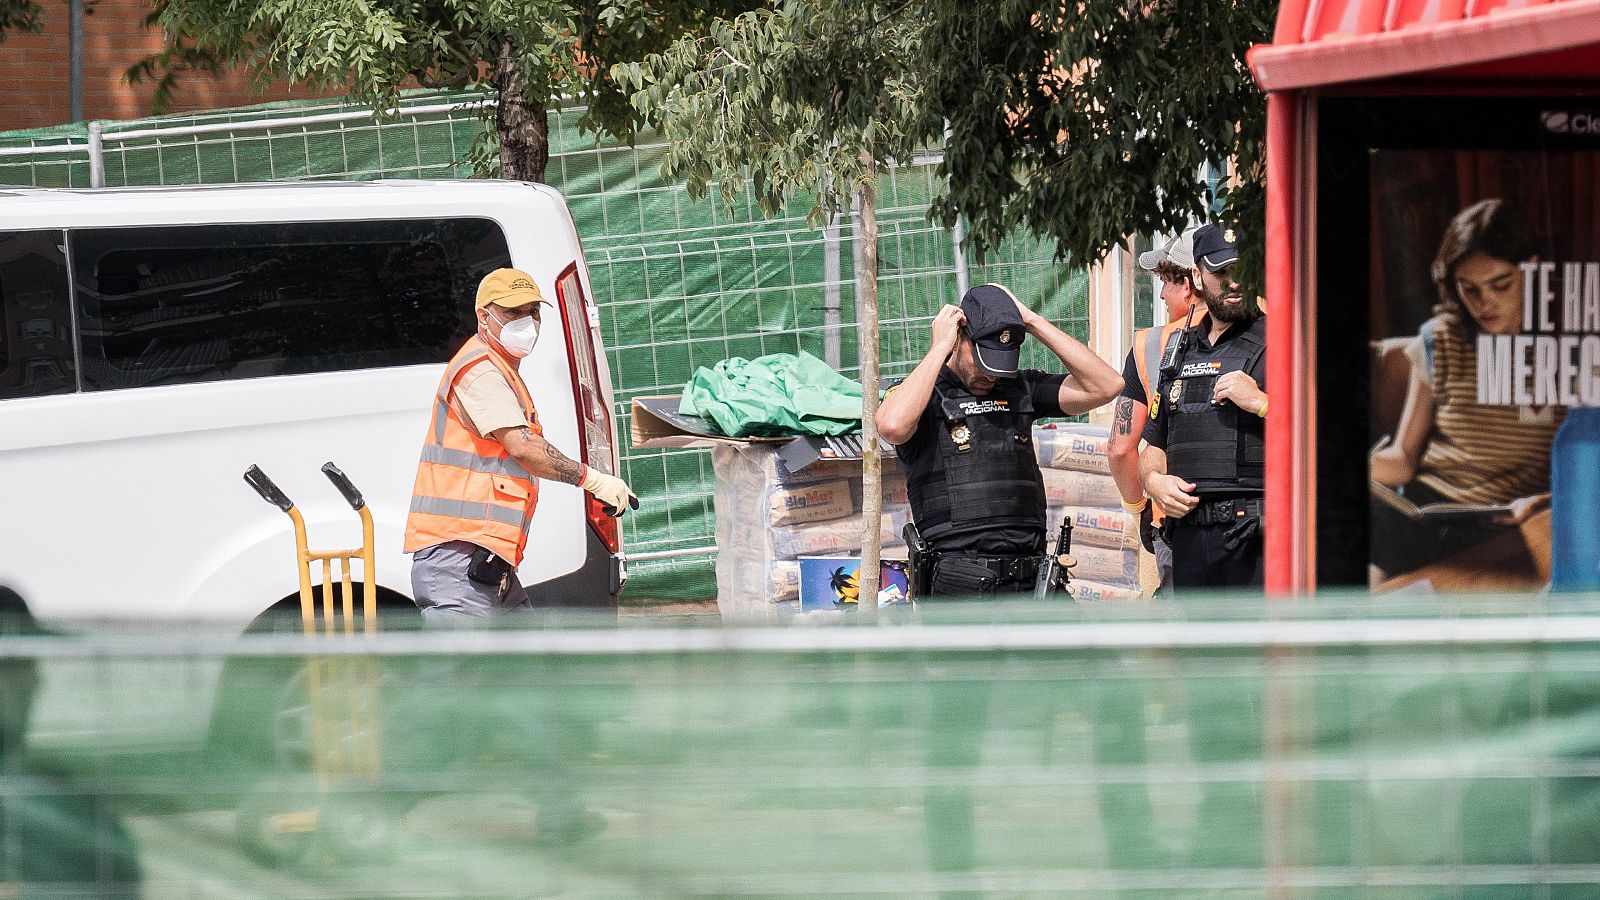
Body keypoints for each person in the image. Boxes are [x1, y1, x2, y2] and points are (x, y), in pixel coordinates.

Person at [403, 268, 637, 624]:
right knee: (465, 664)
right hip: (458, 562)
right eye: (513, 312)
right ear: (484, 317)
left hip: (484, 563)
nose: (527, 322)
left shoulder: (501, 370)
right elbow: (523, 447)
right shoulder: (480, 370)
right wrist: (593, 480)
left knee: (527, 658)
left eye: (533, 311)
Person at [876, 282, 1123, 597]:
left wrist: (1032, 321)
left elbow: (1107, 386)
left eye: (1000, 364)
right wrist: (939, 347)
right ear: (959, 337)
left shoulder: (1021, 388)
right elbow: (892, 427)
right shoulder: (922, 394)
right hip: (962, 583)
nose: (991, 375)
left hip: (1032, 580)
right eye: (982, 362)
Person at [1368, 198, 1562, 577]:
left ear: (1531, 270)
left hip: (1506, 526)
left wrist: (1553, 500)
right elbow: (1403, 458)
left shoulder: (1570, 346)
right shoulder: (1441, 338)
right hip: (1424, 512)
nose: (1484, 303)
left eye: (1500, 285)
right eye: (1468, 288)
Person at [1139, 224, 1267, 590]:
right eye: (1221, 273)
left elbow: (1324, 433)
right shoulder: (1179, 351)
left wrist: (1262, 404)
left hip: (1255, 539)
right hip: (1189, 540)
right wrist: (1154, 481)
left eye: (1242, 270)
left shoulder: (1281, 342)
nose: (1234, 283)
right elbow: (1154, 446)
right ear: (1197, 275)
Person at [1110, 227, 1206, 596]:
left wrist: (1139, 506)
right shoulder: (1259, 335)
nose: (1162, 294)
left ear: (1188, 284)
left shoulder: (1149, 345)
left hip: (1174, 517)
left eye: (1166, 281)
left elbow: (1121, 449)